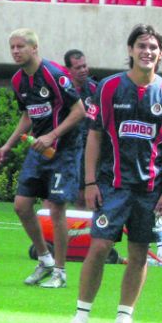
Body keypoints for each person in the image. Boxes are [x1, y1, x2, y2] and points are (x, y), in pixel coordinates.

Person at [61, 24, 162, 323]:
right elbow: (94, 136)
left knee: (139, 251)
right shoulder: (108, 88)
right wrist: (90, 183)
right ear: (130, 50)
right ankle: (81, 317)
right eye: (142, 46)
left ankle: (123, 320)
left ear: (161, 54)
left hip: (150, 189)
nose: (147, 52)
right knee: (100, 245)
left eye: (153, 47)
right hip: (112, 186)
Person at [0, 28, 86, 288]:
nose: (15, 51)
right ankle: (45, 260)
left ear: (34, 48)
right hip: (39, 149)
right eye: (12, 47)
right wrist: (8, 144)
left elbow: (79, 111)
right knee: (21, 205)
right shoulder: (18, 81)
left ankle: (60, 272)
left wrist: (53, 135)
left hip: (64, 150)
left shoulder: (54, 75)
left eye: (20, 46)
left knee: (56, 209)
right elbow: (28, 115)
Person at [64, 49, 100, 210]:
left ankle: (88, 231)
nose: (83, 70)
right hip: (68, 147)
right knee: (65, 195)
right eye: (78, 67)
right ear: (69, 70)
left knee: (87, 194)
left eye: (84, 66)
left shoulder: (96, 90)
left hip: (89, 148)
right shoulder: (62, 90)